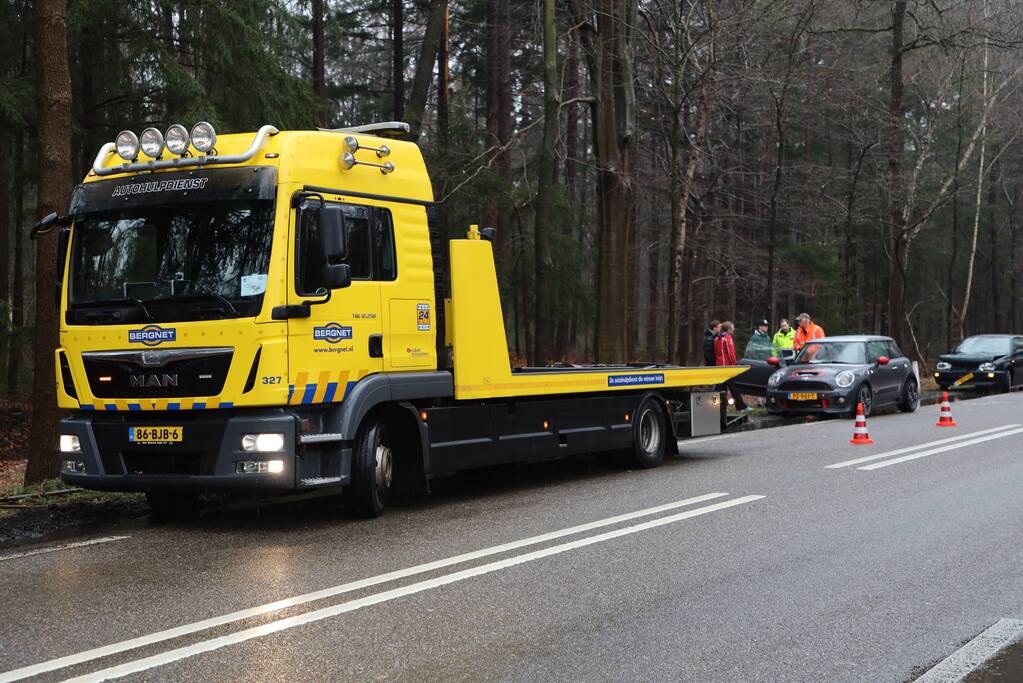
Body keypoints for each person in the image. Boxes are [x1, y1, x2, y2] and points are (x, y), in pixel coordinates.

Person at [714, 321, 749, 411]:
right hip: (727, 367)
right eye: (732, 328)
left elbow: (715, 353)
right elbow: (731, 353)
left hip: (719, 366)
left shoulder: (717, 338)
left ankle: (719, 408)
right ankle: (741, 406)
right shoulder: (727, 338)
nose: (733, 329)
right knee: (733, 388)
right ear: (729, 329)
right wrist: (734, 364)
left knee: (721, 389)